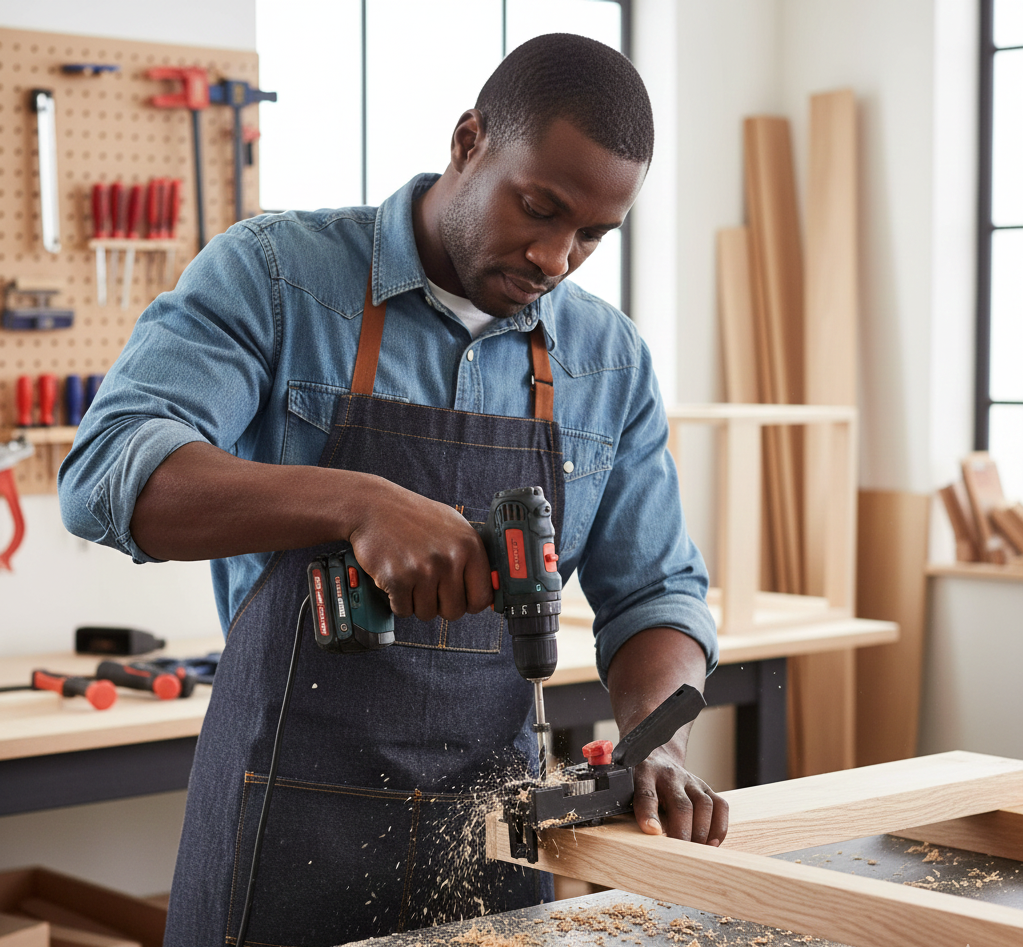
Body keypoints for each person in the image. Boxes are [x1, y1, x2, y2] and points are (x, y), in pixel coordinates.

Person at [59, 32, 727, 946]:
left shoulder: (607, 359)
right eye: (537, 207)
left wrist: (659, 740)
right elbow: (108, 473)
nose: (555, 256)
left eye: (591, 236)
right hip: (280, 826)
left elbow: (655, 593)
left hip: (492, 840)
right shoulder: (277, 277)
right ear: (467, 142)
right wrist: (356, 502)